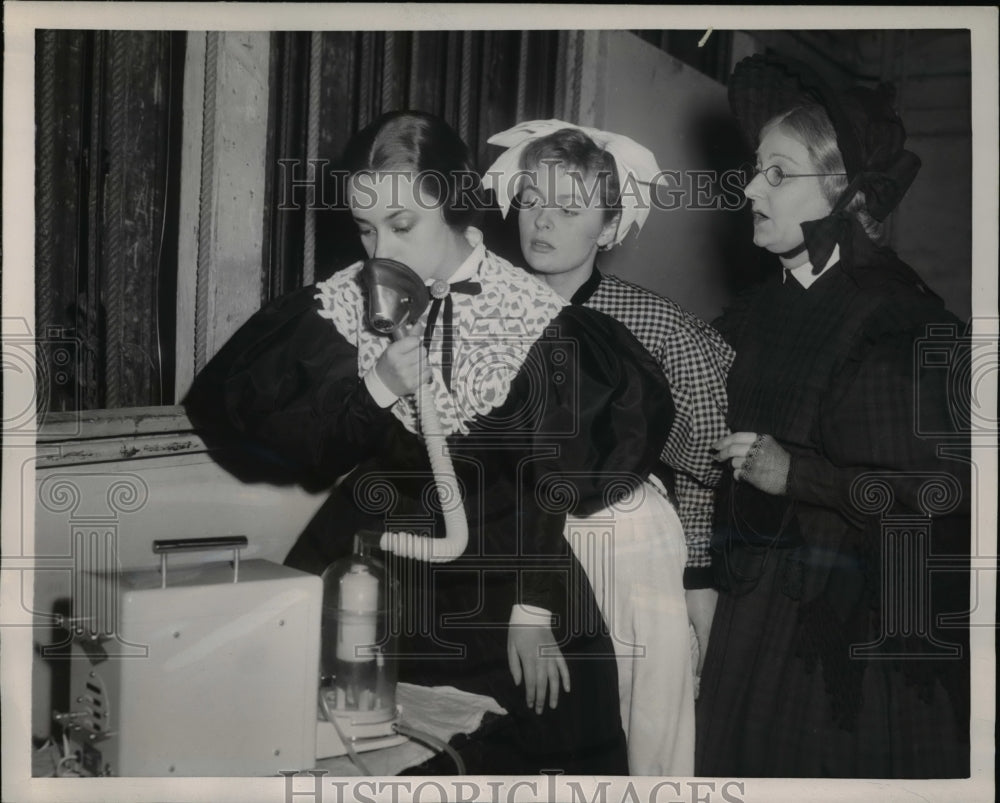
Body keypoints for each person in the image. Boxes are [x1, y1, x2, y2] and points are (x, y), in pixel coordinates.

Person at [184, 111, 677, 774]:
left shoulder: (528, 312)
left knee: (502, 746)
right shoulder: (349, 300)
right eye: (365, 228)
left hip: (501, 557)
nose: (380, 251)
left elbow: (553, 474)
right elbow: (302, 447)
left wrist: (533, 609)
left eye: (402, 226)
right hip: (376, 544)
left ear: (450, 204)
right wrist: (378, 388)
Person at [696, 54, 970, 777]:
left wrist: (801, 475)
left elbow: (942, 494)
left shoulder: (896, 320)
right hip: (752, 612)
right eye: (757, 169)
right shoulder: (753, 316)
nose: (752, 187)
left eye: (778, 174)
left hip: (847, 634)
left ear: (844, 191)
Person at [483, 121, 734, 775]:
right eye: (533, 200)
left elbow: (707, 459)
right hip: (511, 537)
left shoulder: (657, 323)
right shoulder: (483, 308)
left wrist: (699, 584)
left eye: (569, 209)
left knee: (641, 721)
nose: (543, 221)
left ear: (609, 226)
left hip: (620, 540)